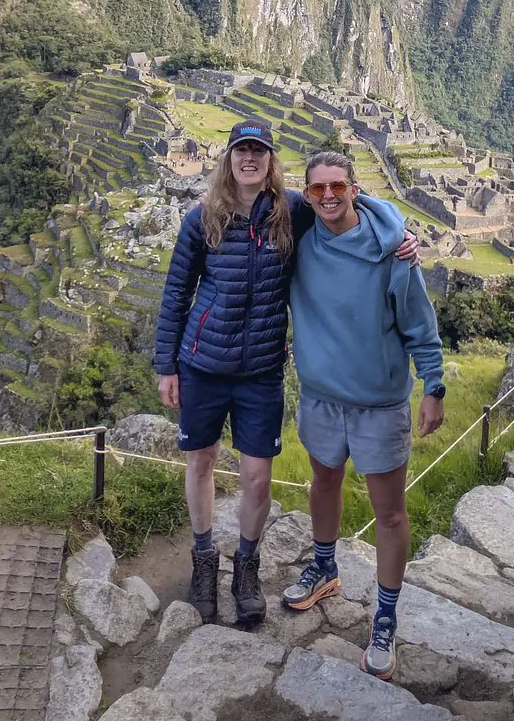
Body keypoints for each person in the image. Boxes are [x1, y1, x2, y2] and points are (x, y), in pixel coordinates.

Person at [155, 120, 418, 626]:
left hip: (260, 369)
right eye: (241, 150)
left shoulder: (292, 211)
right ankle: (203, 559)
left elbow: (349, 202)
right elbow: (176, 293)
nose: (249, 158)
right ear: (229, 158)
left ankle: (246, 567)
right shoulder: (201, 218)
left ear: (270, 159)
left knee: (257, 479)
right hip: (203, 362)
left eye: (259, 150)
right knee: (201, 462)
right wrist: (167, 364)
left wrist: (401, 234)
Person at [281, 150, 445, 681]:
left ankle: (386, 616)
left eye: (338, 186)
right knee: (323, 483)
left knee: (389, 511)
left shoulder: (392, 251)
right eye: (318, 188)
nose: (328, 196)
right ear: (307, 195)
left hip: (379, 401)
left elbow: (419, 324)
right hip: (321, 396)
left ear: (356, 190)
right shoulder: (299, 243)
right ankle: (325, 567)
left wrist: (434, 385)